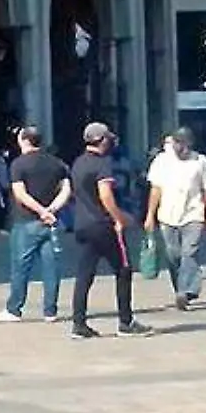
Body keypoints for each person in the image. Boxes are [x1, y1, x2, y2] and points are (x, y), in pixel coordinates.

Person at [69, 123, 152, 339]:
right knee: (123, 269)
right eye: (108, 139)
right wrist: (120, 217)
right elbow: (105, 195)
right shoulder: (101, 164)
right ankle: (126, 322)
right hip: (103, 225)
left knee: (84, 274)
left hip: (83, 224)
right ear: (102, 140)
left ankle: (79, 323)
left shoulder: (78, 163)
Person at [0, 126, 70, 324]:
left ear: (24, 140)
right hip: (51, 223)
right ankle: (50, 311)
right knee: (51, 268)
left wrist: (40, 211)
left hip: (26, 221)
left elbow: (20, 194)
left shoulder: (18, 164)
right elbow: (66, 191)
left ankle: (14, 309)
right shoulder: (57, 164)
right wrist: (51, 210)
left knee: (21, 266)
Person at [144, 129, 206, 311]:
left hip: (193, 215)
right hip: (167, 216)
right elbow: (156, 189)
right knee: (172, 255)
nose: (179, 148)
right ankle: (180, 289)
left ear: (189, 144)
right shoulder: (161, 162)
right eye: (176, 143)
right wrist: (149, 216)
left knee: (189, 253)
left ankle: (186, 291)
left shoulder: (200, 162)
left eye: (183, 144)